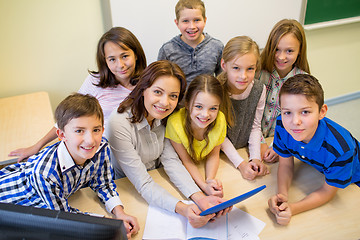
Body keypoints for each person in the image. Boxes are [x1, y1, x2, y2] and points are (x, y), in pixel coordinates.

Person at [105, 60, 230, 228]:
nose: (165, 103)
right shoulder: (118, 123)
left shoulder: (165, 116)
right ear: (143, 89)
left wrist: (200, 197)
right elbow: (143, 184)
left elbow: (171, 161)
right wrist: (184, 209)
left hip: (159, 181)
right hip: (127, 190)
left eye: (173, 96)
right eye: (158, 92)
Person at [0, 93, 139, 239]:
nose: (90, 140)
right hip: (11, 203)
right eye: (79, 131)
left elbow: (103, 184)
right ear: (61, 135)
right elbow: (65, 220)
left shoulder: (101, 147)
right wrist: (111, 229)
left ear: (102, 130)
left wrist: (119, 213)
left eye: (96, 130)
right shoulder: (45, 174)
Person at [9, 27, 146, 162]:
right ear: (105, 61)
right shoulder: (96, 82)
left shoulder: (148, 84)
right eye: (112, 59)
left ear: (136, 55)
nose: (120, 65)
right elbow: (70, 116)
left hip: (131, 156)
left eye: (125, 56)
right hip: (93, 153)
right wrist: (38, 146)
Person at [268, 74, 360, 226]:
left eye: (305, 112)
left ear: (322, 112)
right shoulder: (282, 125)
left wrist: (293, 208)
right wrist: (282, 195)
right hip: (323, 169)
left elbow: (327, 192)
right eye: (287, 112)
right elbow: (285, 164)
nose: (295, 122)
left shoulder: (342, 150)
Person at [166, 74, 233, 197]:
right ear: (187, 104)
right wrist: (203, 185)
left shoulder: (220, 120)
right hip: (179, 178)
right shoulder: (174, 123)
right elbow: (186, 160)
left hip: (202, 168)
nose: (205, 114)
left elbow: (213, 154)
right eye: (198, 106)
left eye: (213, 108)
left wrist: (210, 180)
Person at [258, 19, 310, 163]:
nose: (281, 57)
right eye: (277, 49)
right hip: (252, 141)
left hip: (285, 144)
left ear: (300, 51)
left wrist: (276, 145)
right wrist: (260, 142)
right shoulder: (257, 73)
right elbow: (248, 113)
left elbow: (302, 123)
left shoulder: (304, 82)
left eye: (289, 51)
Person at [218, 36, 269, 180]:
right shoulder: (216, 90)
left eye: (250, 69)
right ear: (224, 65)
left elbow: (255, 126)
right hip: (220, 156)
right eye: (236, 68)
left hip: (242, 150)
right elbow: (219, 136)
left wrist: (255, 158)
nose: (243, 76)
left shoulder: (259, 89)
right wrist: (241, 165)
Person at [157, 0, 223, 85]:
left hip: (207, 97)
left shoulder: (217, 47)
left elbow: (222, 80)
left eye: (197, 20)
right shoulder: (167, 50)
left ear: (205, 20)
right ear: (177, 23)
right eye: (185, 21)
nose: (192, 26)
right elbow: (160, 81)